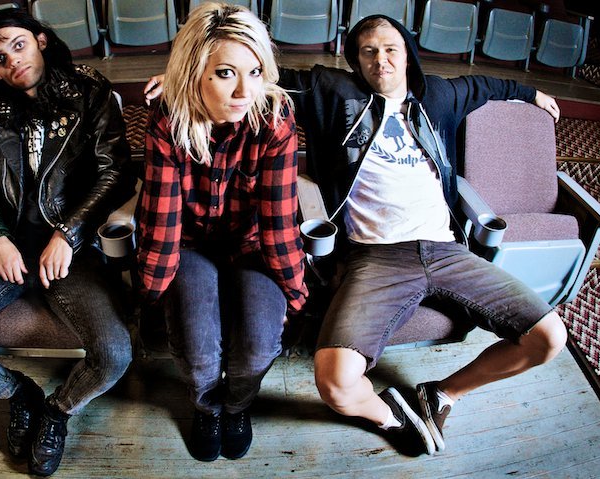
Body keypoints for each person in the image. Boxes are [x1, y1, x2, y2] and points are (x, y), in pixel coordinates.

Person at [273, 15, 568, 456]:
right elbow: (262, 75)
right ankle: (391, 416)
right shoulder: (331, 91)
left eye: (390, 49)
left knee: (549, 338)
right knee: (334, 383)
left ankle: (443, 394)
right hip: (373, 257)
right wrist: (189, 77)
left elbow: (487, 85)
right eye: (368, 51)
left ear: (408, 53)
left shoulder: (440, 96)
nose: (381, 59)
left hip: (447, 251)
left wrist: (534, 94)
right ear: (356, 60)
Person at [0, 8, 136, 476]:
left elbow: (116, 172)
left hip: (72, 252)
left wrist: (68, 233)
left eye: (18, 45)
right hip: (9, 251)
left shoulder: (89, 90)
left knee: (115, 355)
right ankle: (20, 393)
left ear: (40, 41)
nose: (12, 60)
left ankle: (57, 410)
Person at [136, 3, 308, 462]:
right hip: (191, 242)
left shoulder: (274, 118)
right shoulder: (168, 120)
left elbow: (278, 223)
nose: (244, 91)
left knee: (258, 345)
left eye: (255, 72)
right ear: (195, 73)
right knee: (196, 350)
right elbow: (162, 224)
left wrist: (295, 297)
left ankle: (237, 406)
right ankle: (206, 408)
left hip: (253, 243)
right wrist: (151, 296)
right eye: (226, 73)